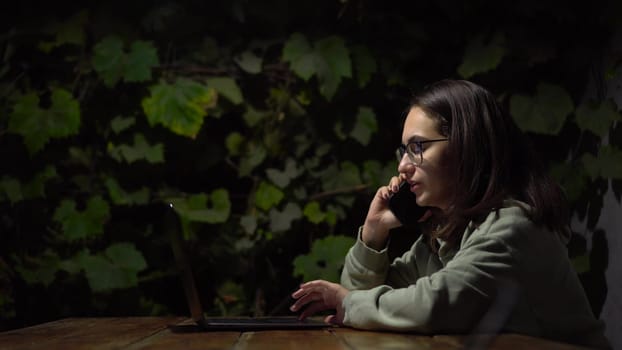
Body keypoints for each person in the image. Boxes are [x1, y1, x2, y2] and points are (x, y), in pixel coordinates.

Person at [289, 79, 611, 349]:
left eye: (418, 147)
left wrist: (346, 303)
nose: (402, 166)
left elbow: (433, 306)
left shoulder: (513, 228)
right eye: (404, 150)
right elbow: (371, 306)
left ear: (467, 145)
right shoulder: (447, 231)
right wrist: (374, 234)